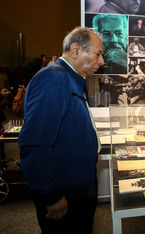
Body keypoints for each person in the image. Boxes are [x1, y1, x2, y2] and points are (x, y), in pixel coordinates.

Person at [18, 27, 104, 234]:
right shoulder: (53, 79)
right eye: (98, 54)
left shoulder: (71, 79)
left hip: (77, 188)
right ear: (75, 50)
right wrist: (51, 195)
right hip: (64, 193)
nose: (101, 61)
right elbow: (35, 142)